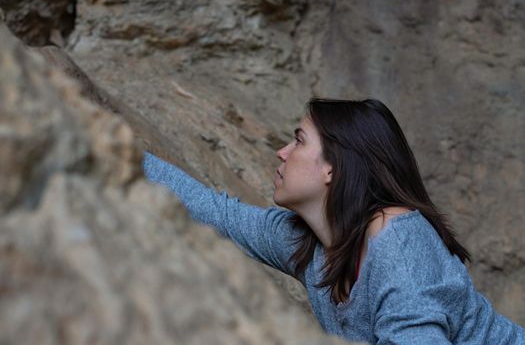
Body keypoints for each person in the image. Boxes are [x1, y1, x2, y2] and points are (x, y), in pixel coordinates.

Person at [142, 98, 525, 344]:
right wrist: (100, 139)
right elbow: (219, 215)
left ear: (333, 168)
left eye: (299, 140)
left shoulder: (397, 246)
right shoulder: (311, 243)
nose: (282, 152)